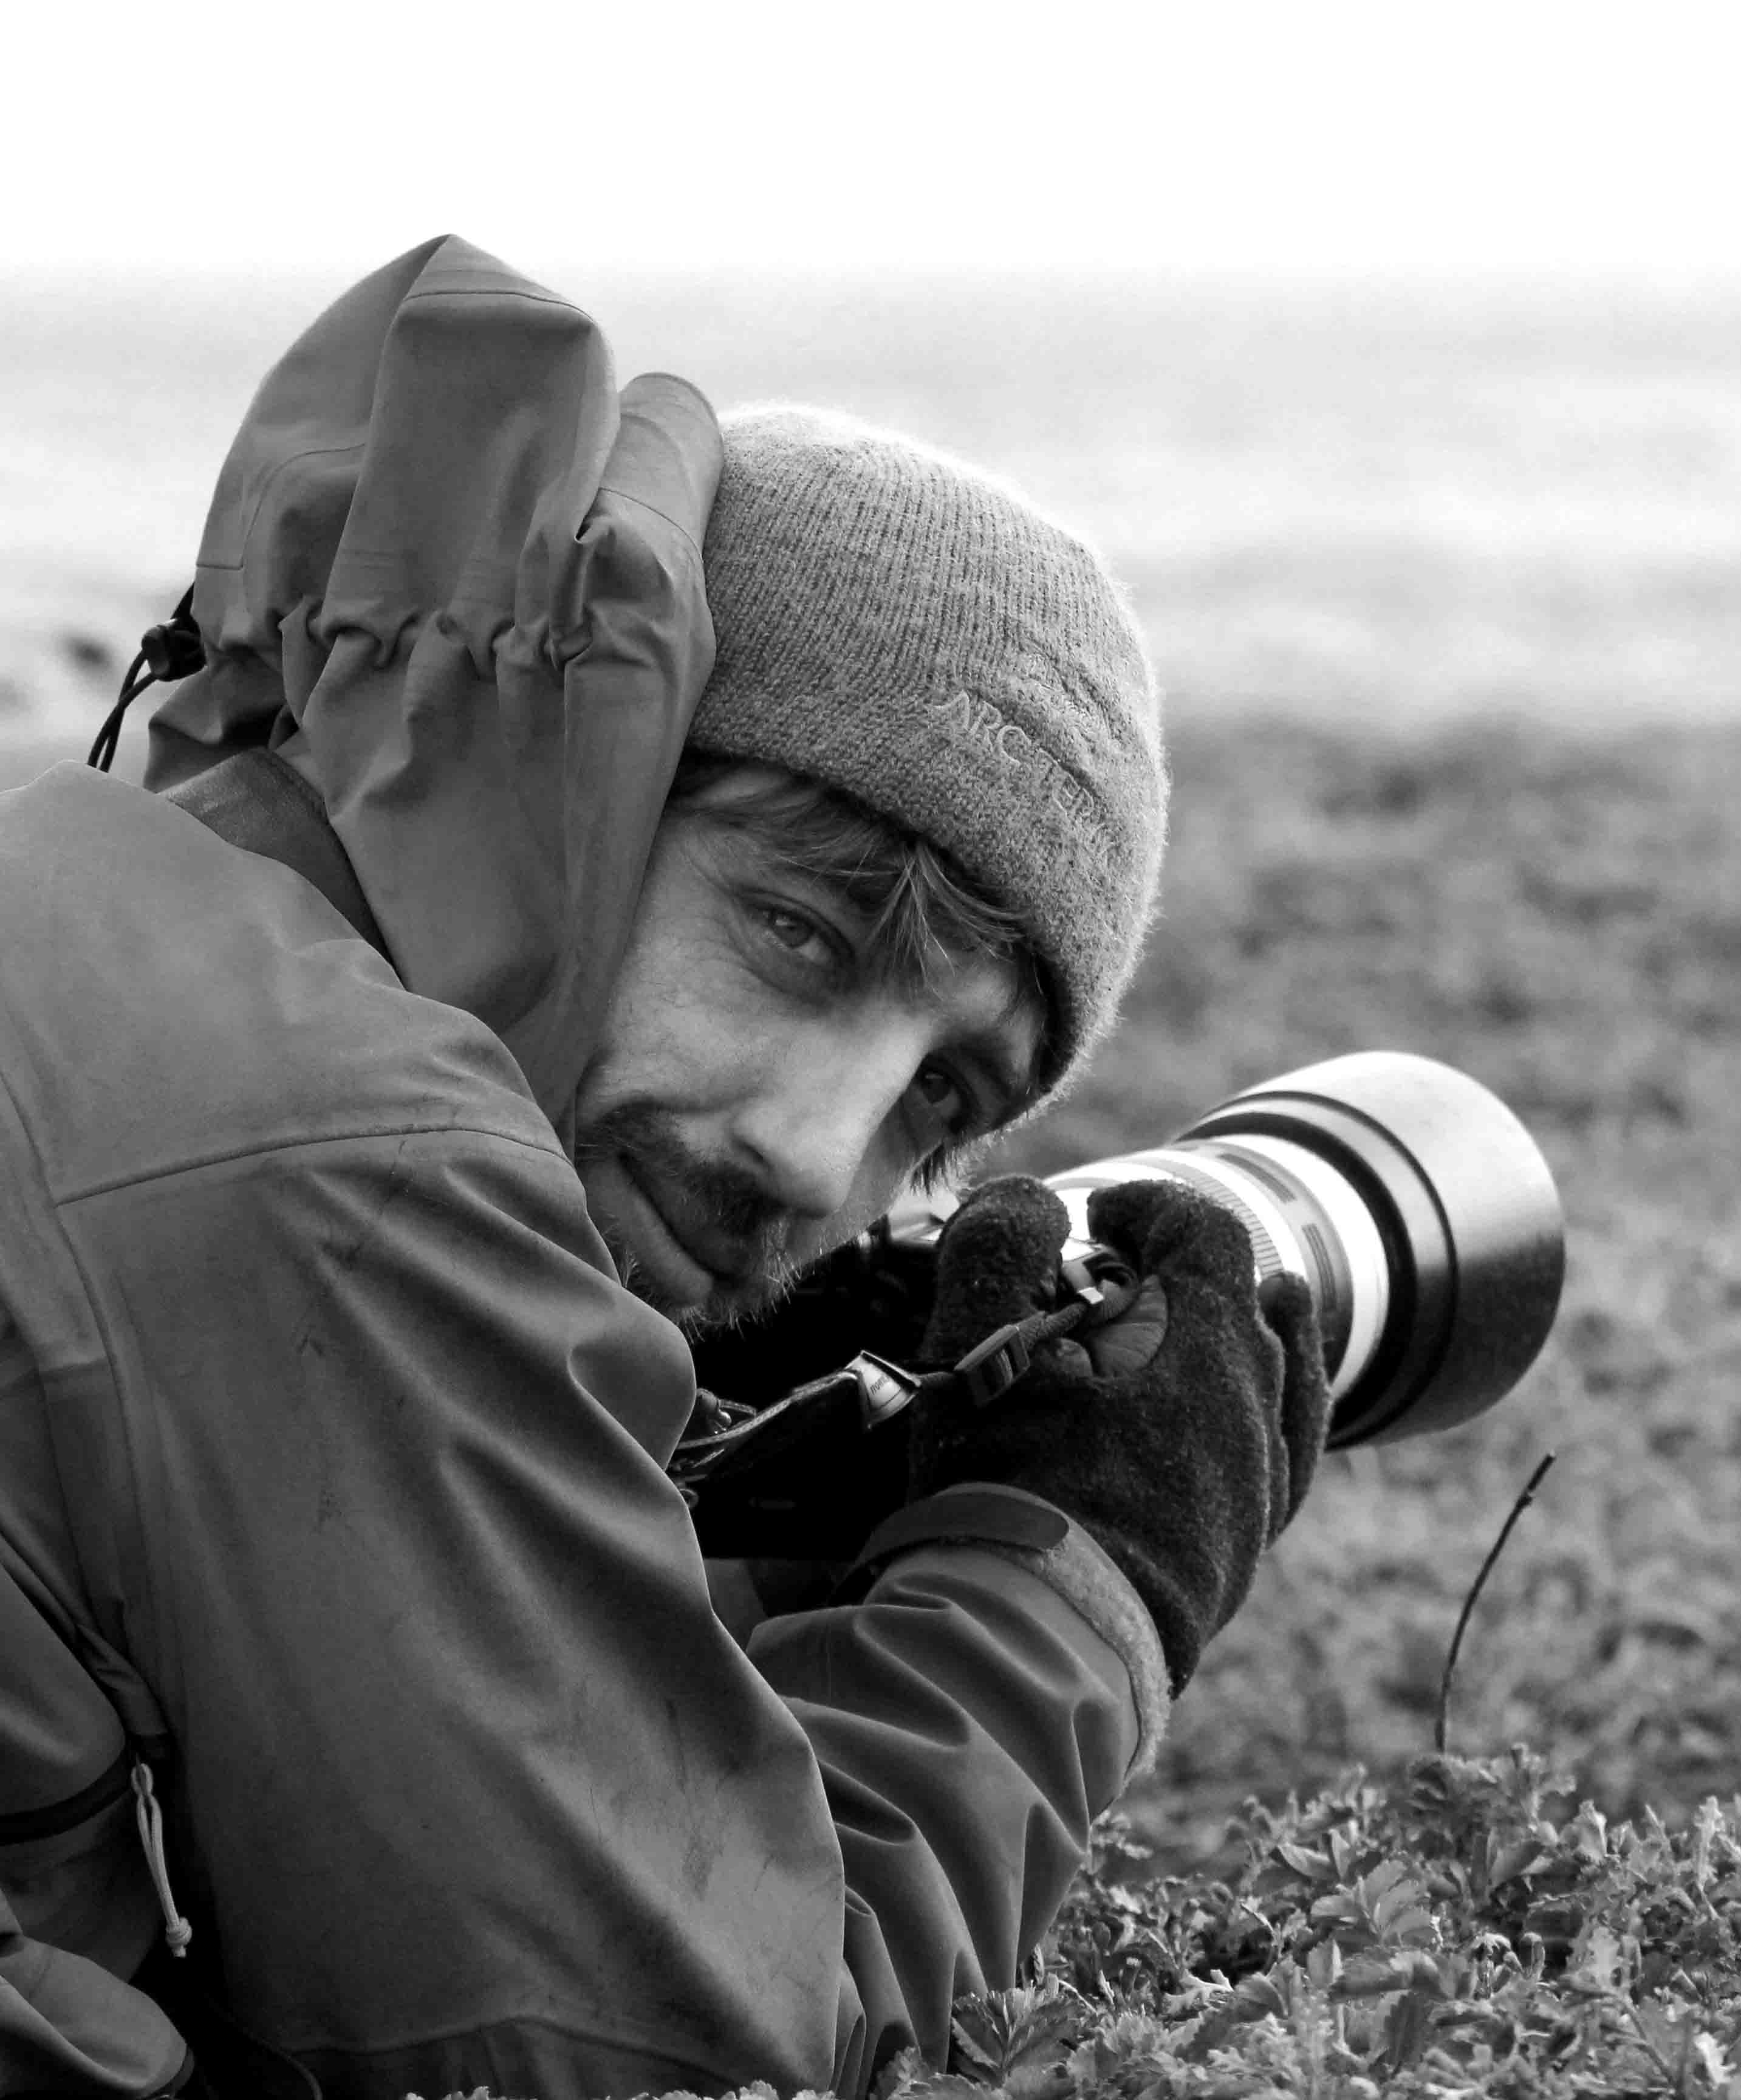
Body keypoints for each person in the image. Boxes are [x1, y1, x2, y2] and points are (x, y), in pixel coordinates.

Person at [0, 238, 1328, 2098]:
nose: (813, 1150)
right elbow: (682, 2060)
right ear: (586, 774)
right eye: (798, 933)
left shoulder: (133, 922)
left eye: (943, 1102)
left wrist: (667, 1471)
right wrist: (1078, 1570)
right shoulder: (340, 1160)